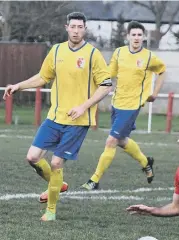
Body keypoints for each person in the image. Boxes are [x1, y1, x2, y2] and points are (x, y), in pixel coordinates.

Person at [3, 12, 112, 221]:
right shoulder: (56, 51)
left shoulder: (92, 54)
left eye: (80, 27)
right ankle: (58, 184)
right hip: (55, 117)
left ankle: (51, 211)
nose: (77, 30)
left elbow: (106, 85)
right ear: (67, 27)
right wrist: (19, 85)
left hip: (78, 121)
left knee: (55, 163)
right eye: (73, 27)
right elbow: (44, 76)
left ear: (85, 29)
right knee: (32, 157)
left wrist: (83, 107)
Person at [81, 21, 166, 190]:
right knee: (121, 140)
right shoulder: (119, 53)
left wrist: (154, 93)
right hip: (117, 102)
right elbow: (109, 74)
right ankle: (146, 163)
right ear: (127, 36)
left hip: (133, 104)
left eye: (139, 35)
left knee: (111, 140)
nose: (136, 38)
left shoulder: (149, 57)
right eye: (133, 35)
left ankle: (94, 180)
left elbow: (162, 71)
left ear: (143, 38)